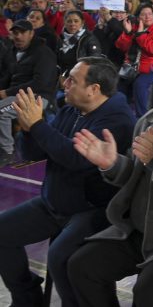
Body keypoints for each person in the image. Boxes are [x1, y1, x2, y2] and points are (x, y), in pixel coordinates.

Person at [67, 58, 153, 307]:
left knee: (149, 293)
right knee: (82, 266)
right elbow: (133, 175)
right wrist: (111, 163)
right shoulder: (148, 121)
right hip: (138, 232)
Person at [0, 57, 135, 307]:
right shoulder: (70, 108)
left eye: (72, 79)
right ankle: (27, 298)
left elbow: (75, 157)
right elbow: (34, 153)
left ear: (93, 89)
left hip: (93, 209)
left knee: (60, 258)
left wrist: (38, 125)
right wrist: (29, 129)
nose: (64, 83)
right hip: (54, 202)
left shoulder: (117, 119)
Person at [0, 20, 58, 165]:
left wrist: (7, 92)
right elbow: (7, 76)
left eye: (22, 32)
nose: (18, 36)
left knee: (1, 111)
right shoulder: (13, 51)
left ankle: (6, 151)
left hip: (38, 97)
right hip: (17, 95)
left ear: (32, 33)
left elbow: (41, 83)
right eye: (15, 33)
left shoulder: (43, 53)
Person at [115, 5, 153, 117]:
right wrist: (128, 33)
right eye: (143, 14)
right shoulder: (133, 28)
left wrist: (141, 35)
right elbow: (121, 46)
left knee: (140, 84)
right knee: (120, 85)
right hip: (132, 68)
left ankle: (142, 117)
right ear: (139, 17)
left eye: (149, 13)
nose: (147, 16)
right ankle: (123, 115)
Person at [57, 10, 103, 76]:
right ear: (64, 22)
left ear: (82, 23)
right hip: (64, 76)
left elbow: (95, 62)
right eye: (69, 21)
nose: (72, 24)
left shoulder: (90, 39)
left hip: (82, 76)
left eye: (76, 21)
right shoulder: (61, 38)